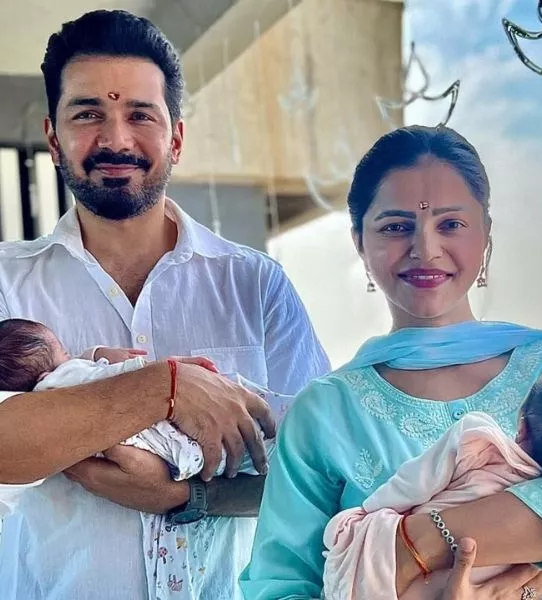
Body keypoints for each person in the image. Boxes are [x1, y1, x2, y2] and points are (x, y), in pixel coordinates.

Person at [0, 9, 329, 600]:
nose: (116, 140)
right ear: (53, 138)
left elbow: (320, 474)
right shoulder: (6, 280)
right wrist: (165, 388)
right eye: (88, 114)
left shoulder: (255, 285)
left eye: (140, 115)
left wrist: (186, 496)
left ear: (175, 136)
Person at [239, 125, 542, 600]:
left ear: (485, 234)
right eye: (396, 227)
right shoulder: (324, 414)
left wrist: (418, 545)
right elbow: (279, 587)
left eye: (450, 225)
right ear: (359, 241)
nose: (425, 249)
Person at [0, 317, 294, 599]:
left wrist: (184, 495)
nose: (71, 356)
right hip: (181, 446)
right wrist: (164, 379)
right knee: (267, 430)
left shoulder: (261, 287)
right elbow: (100, 375)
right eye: (65, 352)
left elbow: (310, 488)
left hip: (212, 566)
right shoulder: (66, 375)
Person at [321, 365, 542, 599]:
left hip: (379, 566)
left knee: (351, 530)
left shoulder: (480, 440)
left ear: (522, 424)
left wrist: (373, 509)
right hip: (444, 586)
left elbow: (416, 481)